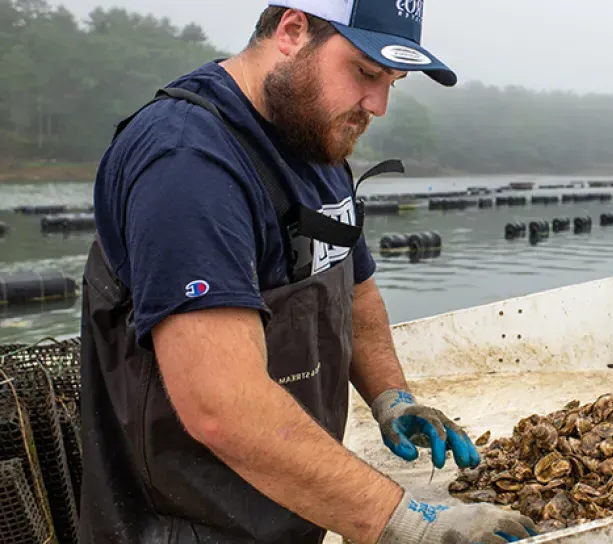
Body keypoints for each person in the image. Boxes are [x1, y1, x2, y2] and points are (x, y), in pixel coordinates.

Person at [78, 1, 537, 543]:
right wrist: (407, 524)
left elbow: (354, 290)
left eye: (393, 81)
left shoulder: (313, 138)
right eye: (366, 73)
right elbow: (220, 405)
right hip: (184, 528)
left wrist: (392, 398)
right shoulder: (186, 162)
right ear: (293, 31)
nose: (379, 105)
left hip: (294, 509)